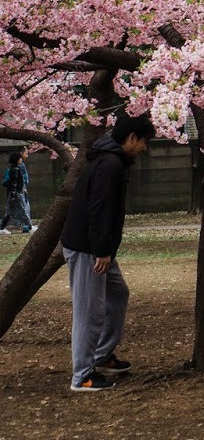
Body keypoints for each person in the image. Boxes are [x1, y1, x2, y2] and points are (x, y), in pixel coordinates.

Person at [60, 112, 154, 393]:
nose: (145, 149)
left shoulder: (111, 160)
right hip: (88, 248)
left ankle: (101, 355)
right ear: (131, 138)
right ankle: (82, 376)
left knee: (117, 293)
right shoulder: (110, 163)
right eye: (144, 142)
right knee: (89, 310)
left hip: (97, 248)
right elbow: (99, 208)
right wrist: (101, 250)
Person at [0, 151, 31, 234]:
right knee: (21, 210)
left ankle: (2, 227)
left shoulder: (14, 169)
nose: (21, 160)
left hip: (15, 193)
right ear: (17, 160)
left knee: (11, 211)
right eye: (20, 158)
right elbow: (14, 183)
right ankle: (29, 226)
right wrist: (14, 195)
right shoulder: (15, 170)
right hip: (16, 194)